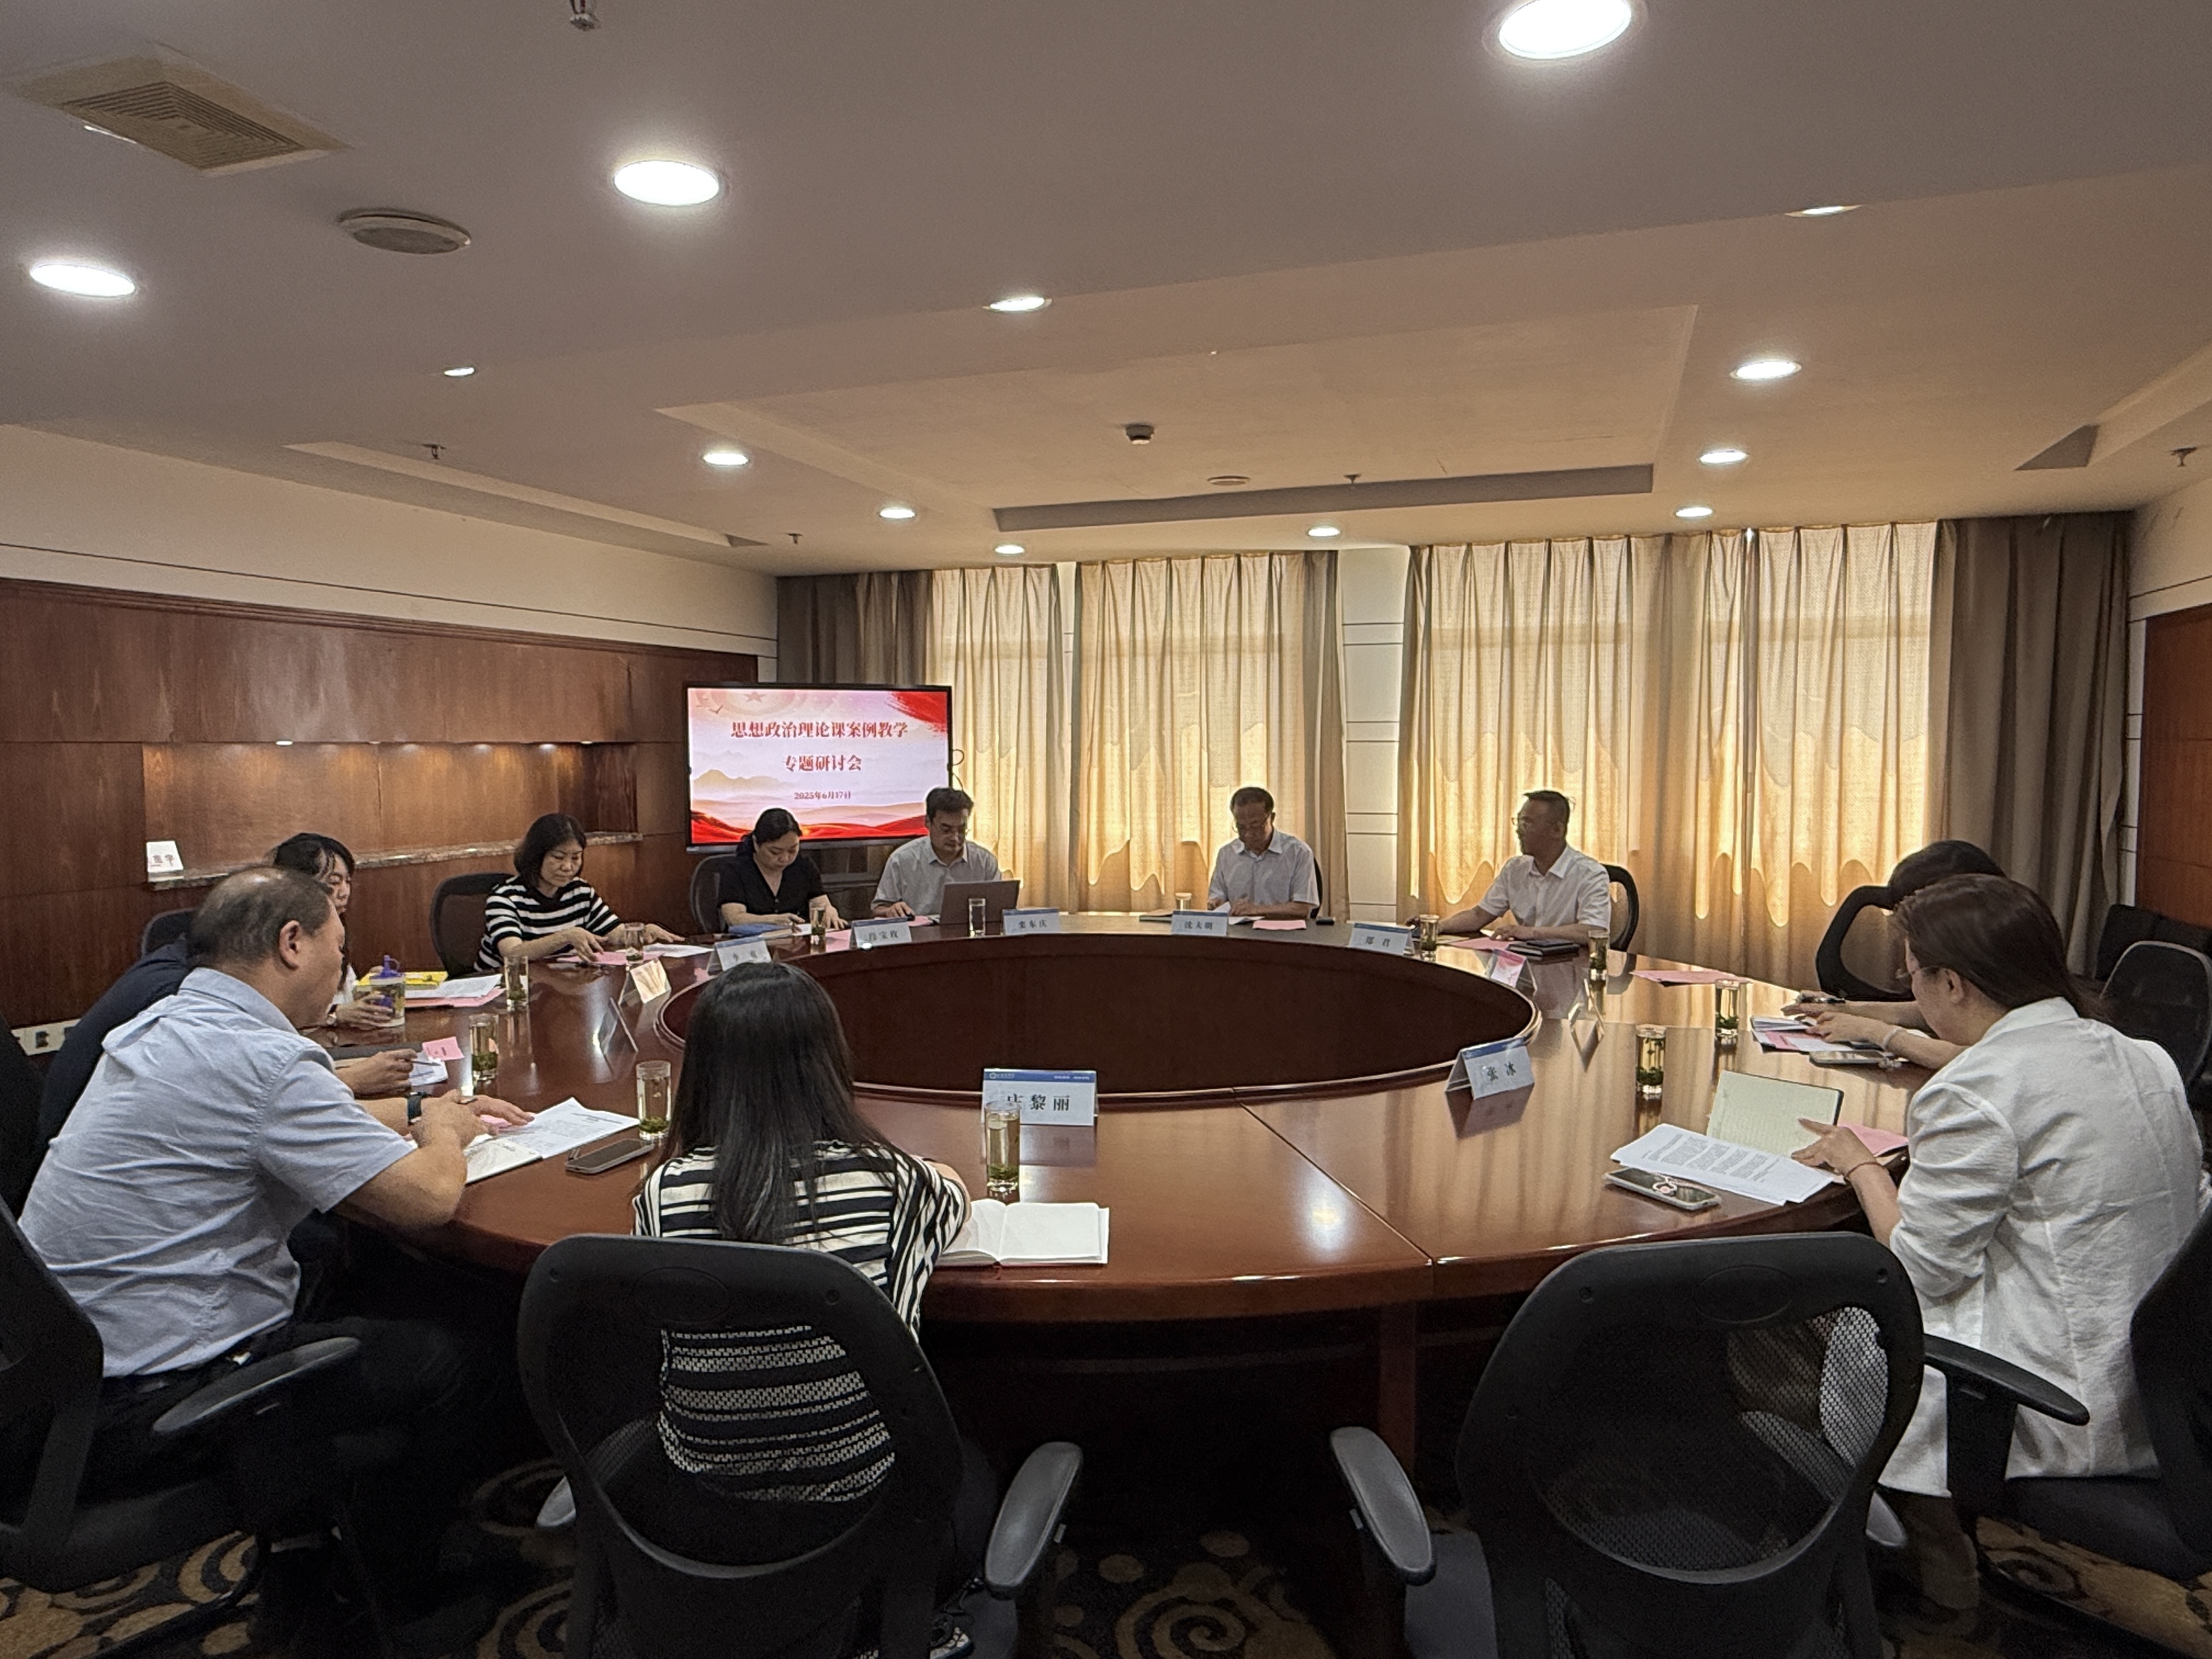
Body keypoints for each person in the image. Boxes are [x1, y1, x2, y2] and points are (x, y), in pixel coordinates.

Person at [18, 867, 534, 1653]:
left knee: (366, 1284)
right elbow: (428, 1199)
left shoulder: (172, 1025)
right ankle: (391, 1599)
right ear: (293, 943)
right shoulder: (262, 1060)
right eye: (340, 947)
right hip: (151, 1404)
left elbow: (296, 1113)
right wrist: (444, 1134)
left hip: (57, 1397)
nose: (342, 967)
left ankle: (309, 1551)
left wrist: (426, 1107)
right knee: (459, 1358)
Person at [1792, 874, 2207, 1613]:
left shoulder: (1974, 1093)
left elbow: (1917, 1270)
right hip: (2170, 1393)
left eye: (1913, 977)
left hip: (2060, 1404)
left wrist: (1860, 1165)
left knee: (1840, 1318)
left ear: (1952, 983)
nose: (1912, 991)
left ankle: (1927, 1539)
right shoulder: (2142, 1057)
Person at [629, 962, 985, 1644]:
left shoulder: (663, 1193)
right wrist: (927, 1172)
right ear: (827, 1063)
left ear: (702, 1073)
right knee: (978, 1472)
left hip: (706, 1528)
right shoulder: (894, 1183)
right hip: (865, 1529)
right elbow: (954, 1197)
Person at [38, 832, 414, 1148]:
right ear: (291, 940)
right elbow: (258, 1093)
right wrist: (358, 1083)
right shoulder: (181, 999)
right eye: (328, 886)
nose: (341, 895)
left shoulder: (200, 976)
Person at [1784, 841, 2009, 1070]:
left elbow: (1982, 1059)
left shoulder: (2009, 951)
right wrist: (1845, 1008)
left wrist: (1878, 1033)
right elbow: (1925, 1011)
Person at [476, 812, 680, 969]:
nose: (568, 867)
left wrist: (640, 933)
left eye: (576, 858)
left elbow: (613, 933)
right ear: (536, 856)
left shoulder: (580, 891)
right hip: (505, 990)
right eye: (558, 857)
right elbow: (512, 954)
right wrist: (565, 936)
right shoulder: (505, 897)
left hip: (557, 984)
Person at [1438, 789, 1612, 942]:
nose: (1519, 830)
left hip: (1571, 964)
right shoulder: (1515, 869)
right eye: (1519, 822)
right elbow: (1479, 915)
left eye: (1527, 823)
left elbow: (1593, 931)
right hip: (1527, 960)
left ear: (1557, 830)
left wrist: (1532, 933)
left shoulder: (1590, 874)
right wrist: (1438, 926)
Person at [268, 831, 398, 1032]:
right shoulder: (282, 936)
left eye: (348, 882)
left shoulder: (334, 927)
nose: (345, 892)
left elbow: (344, 994)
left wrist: (365, 988)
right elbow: (279, 1018)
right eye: (334, 882)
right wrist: (334, 1015)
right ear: (298, 884)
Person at [871, 787, 1000, 919]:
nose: (955, 837)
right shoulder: (902, 859)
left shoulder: (984, 861)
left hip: (969, 931)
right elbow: (878, 909)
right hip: (919, 931)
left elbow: (1000, 907)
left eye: (962, 829)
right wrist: (890, 911)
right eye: (946, 830)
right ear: (928, 822)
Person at [715, 806, 844, 930]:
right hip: (750, 943)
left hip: (797, 942)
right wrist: (774, 921)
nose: (785, 859)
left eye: (792, 850)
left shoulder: (804, 866)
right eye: (775, 852)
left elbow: (820, 903)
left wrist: (829, 911)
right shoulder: (735, 870)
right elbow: (735, 919)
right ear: (756, 843)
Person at [1206, 786, 1320, 919]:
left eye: (1255, 826)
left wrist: (1256, 910)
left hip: (1283, 930)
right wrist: (1216, 903)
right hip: (1238, 929)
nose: (1248, 834)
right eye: (1241, 827)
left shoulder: (1298, 852)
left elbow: (1303, 909)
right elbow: (1217, 895)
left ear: (1272, 818)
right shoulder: (1227, 854)